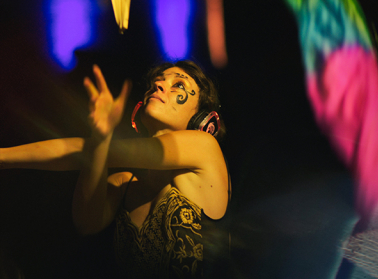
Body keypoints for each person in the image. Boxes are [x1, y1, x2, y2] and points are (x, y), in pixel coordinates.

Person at [0, 60, 230, 278]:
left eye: (179, 85)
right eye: (157, 81)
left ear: (203, 119)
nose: (159, 85)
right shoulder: (123, 184)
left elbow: (81, 151)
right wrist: (100, 138)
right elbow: (86, 223)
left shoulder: (205, 147)